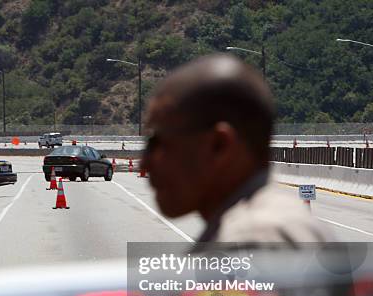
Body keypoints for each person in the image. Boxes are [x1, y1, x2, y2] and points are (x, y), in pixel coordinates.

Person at [142, 53, 332, 244]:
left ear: (219, 146)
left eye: (159, 143)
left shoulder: (253, 238)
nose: (145, 163)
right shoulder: (271, 224)